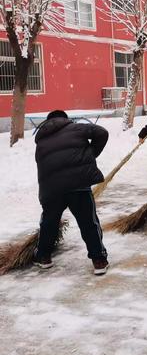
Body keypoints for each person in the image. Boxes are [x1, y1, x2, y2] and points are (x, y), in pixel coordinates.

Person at [33, 110, 109, 275]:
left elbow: (42, 168)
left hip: (52, 190)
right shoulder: (76, 128)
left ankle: (43, 257)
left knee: (49, 224)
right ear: (64, 119)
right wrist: (89, 155)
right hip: (78, 185)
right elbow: (102, 132)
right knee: (88, 223)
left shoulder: (41, 141)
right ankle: (99, 261)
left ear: (48, 122)